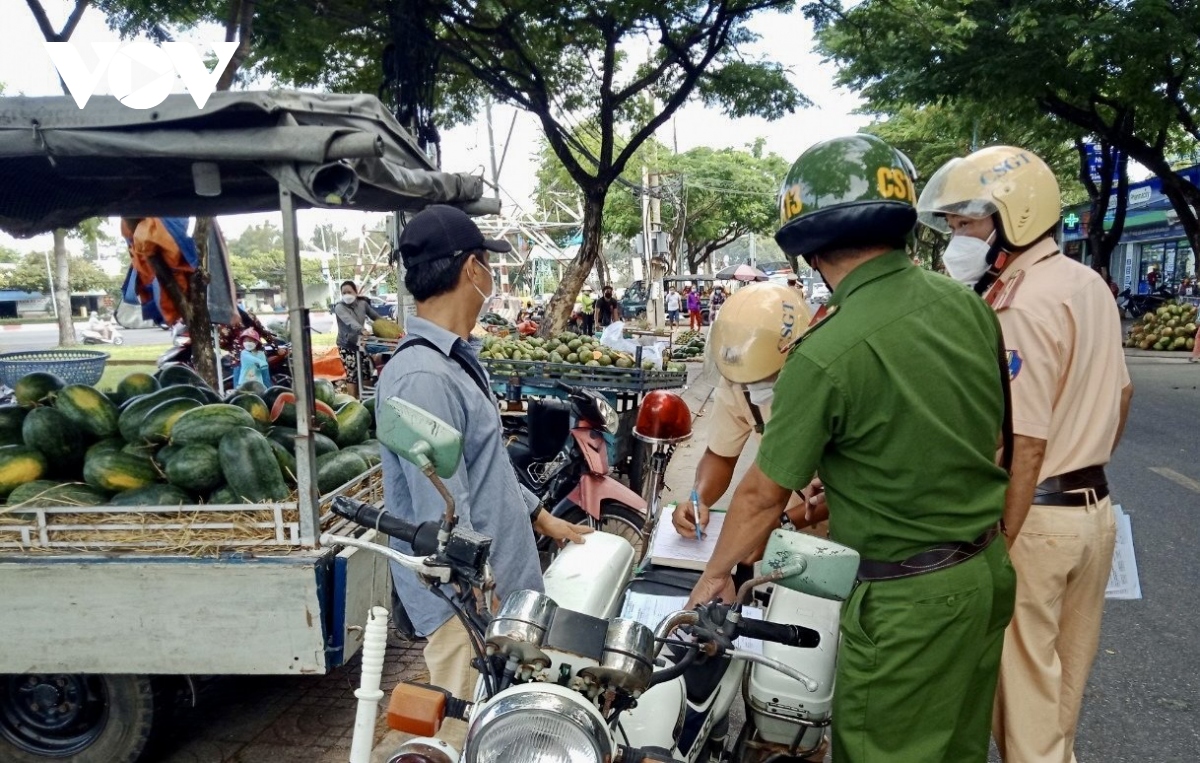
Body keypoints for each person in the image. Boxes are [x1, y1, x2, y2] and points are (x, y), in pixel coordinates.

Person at [687, 134, 1015, 763]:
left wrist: (716, 574)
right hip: (985, 574)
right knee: (959, 750)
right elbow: (994, 436)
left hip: (908, 604)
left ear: (807, 246)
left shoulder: (826, 349)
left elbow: (758, 497)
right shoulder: (967, 308)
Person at [918, 146, 1134, 763]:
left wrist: (1004, 542)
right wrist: (1084, 457)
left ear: (1013, 217)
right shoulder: (1086, 283)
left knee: (1024, 711)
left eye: (965, 224)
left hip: (1036, 521)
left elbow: (1025, 443)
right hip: (1094, 515)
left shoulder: (1022, 303)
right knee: (1060, 698)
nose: (955, 239)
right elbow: (1122, 394)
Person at [379, 205, 592, 743]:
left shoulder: (449, 360)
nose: (492, 279)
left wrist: (542, 517)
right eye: (488, 267)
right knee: (466, 740)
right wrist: (485, 600)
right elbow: (444, 515)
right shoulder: (423, 375)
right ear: (472, 270)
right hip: (467, 611)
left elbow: (483, 467)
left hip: (492, 601)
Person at [671, 282, 826, 562]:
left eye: (767, 377)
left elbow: (858, 486)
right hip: (790, 532)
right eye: (745, 381)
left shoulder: (836, 378)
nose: (754, 389)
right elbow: (720, 454)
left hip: (853, 533)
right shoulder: (737, 379)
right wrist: (699, 499)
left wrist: (779, 523)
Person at [333, 280, 382, 399]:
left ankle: (366, 400)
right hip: (346, 344)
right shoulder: (339, 307)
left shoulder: (362, 304)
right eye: (344, 293)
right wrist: (362, 330)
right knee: (352, 373)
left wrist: (387, 325)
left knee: (366, 372)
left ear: (355, 292)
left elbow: (375, 316)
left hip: (361, 343)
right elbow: (349, 321)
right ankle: (353, 402)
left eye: (349, 292)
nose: (346, 295)